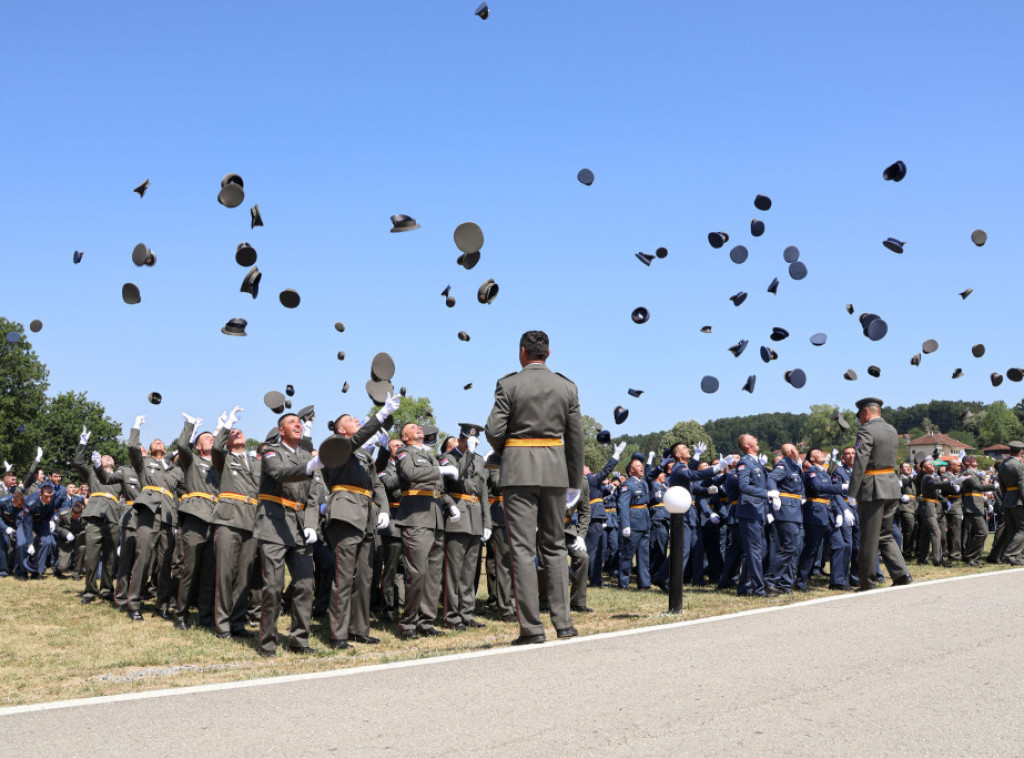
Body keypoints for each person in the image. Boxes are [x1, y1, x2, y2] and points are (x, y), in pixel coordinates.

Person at [485, 330, 584, 645]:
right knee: (555, 547)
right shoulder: (567, 387)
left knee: (523, 550)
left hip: (518, 471)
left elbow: (493, 430)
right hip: (555, 472)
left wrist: (508, 451)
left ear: (522, 353)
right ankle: (564, 624)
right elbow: (576, 439)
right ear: (548, 354)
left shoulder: (509, 384)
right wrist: (573, 481)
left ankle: (531, 628)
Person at [255, 410, 334, 657]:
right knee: (274, 586)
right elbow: (279, 473)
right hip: (274, 523)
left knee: (305, 585)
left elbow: (313, 497)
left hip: (300, 527)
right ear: (281, 430)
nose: (297, 425)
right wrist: (309, 466)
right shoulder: (271, 451)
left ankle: (300, 640)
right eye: (291, 422)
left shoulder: (305, 456)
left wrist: (311, 524)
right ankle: (268, 642)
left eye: (299, 422)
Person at [320, 404, 392, 649]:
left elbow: (377, 482)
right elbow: (354, 442)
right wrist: (379, 416)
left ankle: (359, 629)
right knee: (343, 576)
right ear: (341, 430)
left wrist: (383, 508)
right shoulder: (336, 444)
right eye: (350, 420)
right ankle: (337, 634)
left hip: (366, 514)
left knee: (365, 576)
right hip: (345, 511)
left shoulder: (363, 454)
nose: (356, 421)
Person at [393, 420, 455, 640]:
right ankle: (408, 622)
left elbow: (438, 488)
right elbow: (410, 474)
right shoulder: (403, 452)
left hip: (436, 516)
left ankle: (426, 621)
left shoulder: (429, 455)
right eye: (411, 427)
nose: (417, 427)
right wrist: (439, 469)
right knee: (416, 572)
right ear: (405, 437)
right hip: (416, 517)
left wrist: (450, 504)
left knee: (433, 574)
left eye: (418, 426)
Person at [846, 398, 912, 590]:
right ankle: (901, 574)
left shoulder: (866, 430)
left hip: (873, 488)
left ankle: (867, 581)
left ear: (866, 413)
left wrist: (852, 491)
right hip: (891, 486)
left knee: (868, 537)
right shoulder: (892, 430)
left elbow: (861, 460)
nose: (859, 421)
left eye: (860, 416)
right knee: (886, 534)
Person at [209, 406, 260, 639]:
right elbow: (215, 447)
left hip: (252, 521)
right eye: (233, 433)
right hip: (229, 519)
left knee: (244, 576)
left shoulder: (256, 463)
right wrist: (226, 426)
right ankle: (222, 624)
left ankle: (238, 623)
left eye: (240, 431)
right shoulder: (224, 459)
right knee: (225, 573)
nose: (237, 433)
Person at [439, 424, 491, 630]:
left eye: (475, 441)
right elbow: (456, 477)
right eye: (469, 440)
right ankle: (452, 616)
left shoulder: (479, 459)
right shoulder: (447, 458)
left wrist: (487, 522)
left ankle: (467, 613)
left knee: (470, 570)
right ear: (461, 439)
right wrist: (467, 452)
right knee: (454, 571)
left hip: (475, 516)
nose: (473, 443)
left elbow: (483, 492)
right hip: (457, 516)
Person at [173, 414, 221, 630]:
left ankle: (205, 615)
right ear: (199, 447)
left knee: (210, 572)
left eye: (213, 437)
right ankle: (180, 613)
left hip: (216, 518)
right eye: (207, 437)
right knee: (189, 569)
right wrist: (190, 426)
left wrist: (223, 430)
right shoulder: (193, 461)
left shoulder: (222, 464)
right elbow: (183, 447)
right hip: (195, 517)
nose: (211, 438)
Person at [796, 449, 847, 591]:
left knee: (839, 545)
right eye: (818, 453)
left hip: (828, 512)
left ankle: (837, 581)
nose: (822, 454)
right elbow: (819, 487)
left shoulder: (825, 473)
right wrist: (841, 487)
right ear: (812, 459)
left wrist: (838, 512)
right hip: (815, 513)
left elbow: (830, 496)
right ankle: (801, 581)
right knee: (812, 548)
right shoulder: (811, 472)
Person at [766, 443, 807, 595]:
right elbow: (771, 478)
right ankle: (770, 580)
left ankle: (785, 584)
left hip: (795, 510)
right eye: (796, 449)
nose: (798, 451)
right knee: (788, 546)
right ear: (791, 451)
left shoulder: (795, 466)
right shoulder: (784, 464)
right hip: (787, 510)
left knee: (794, 548)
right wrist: (775, 493)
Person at [735, 434, 770, 597]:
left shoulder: (756, 463)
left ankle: (744, 587)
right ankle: (758, 589)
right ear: (748, 444)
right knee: (755, 551)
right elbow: (744, 486)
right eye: (754, 439)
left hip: (758, 511)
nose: (757, 440)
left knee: (758, 551)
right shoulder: (745, 462)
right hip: (749, 511)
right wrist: (766, 493)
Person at [616, 453, 652, 590]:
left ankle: (644, 584)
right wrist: (625, 525)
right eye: (638, 466)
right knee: (627, 555)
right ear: (631, 471)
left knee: (644, 555)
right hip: (633, 523)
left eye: (641, 465)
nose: (641, 467)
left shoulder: (643, 484)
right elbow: (623, 505)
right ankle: (623, 583)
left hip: (644, 522)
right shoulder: (627, 485)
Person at [959, 455, 995, 566]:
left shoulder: (974, 473)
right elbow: (978, 487)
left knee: (978, 533)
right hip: (972, 507)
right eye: (973, 459)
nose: (975, 461)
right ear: (968, 463)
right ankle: (969, 556)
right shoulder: (967, 473)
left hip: (977, 506)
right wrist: (995, 486)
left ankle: (976, 559)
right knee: (983, 532)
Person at [996, 441, 1024, 565]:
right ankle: (1009, 555)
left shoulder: (1003, 464)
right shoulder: (1018, 465)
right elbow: (1022, 485)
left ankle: (1016, 557)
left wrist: (1006, 498)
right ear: (1021, 452)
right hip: (1018, 500)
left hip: (1008, 499)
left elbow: (1002, 486)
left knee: (1013, 530)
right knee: (1022, 529)